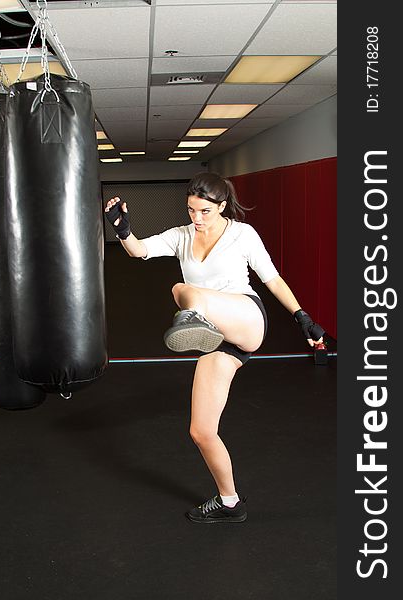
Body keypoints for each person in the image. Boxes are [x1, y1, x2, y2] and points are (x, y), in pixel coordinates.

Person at [104, 172, 324, 524]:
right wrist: (123, 230)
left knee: (182, 290)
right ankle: (230, 501)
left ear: (222, 206)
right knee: (201, 431)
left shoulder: (242, 234)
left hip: (245, 317)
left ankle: (192, 316)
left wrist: (302, 317)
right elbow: (140, 252)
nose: (197, 218)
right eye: (191, 210)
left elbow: (272, 278)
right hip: (220, 342)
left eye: (205, 211)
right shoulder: (182, 235)